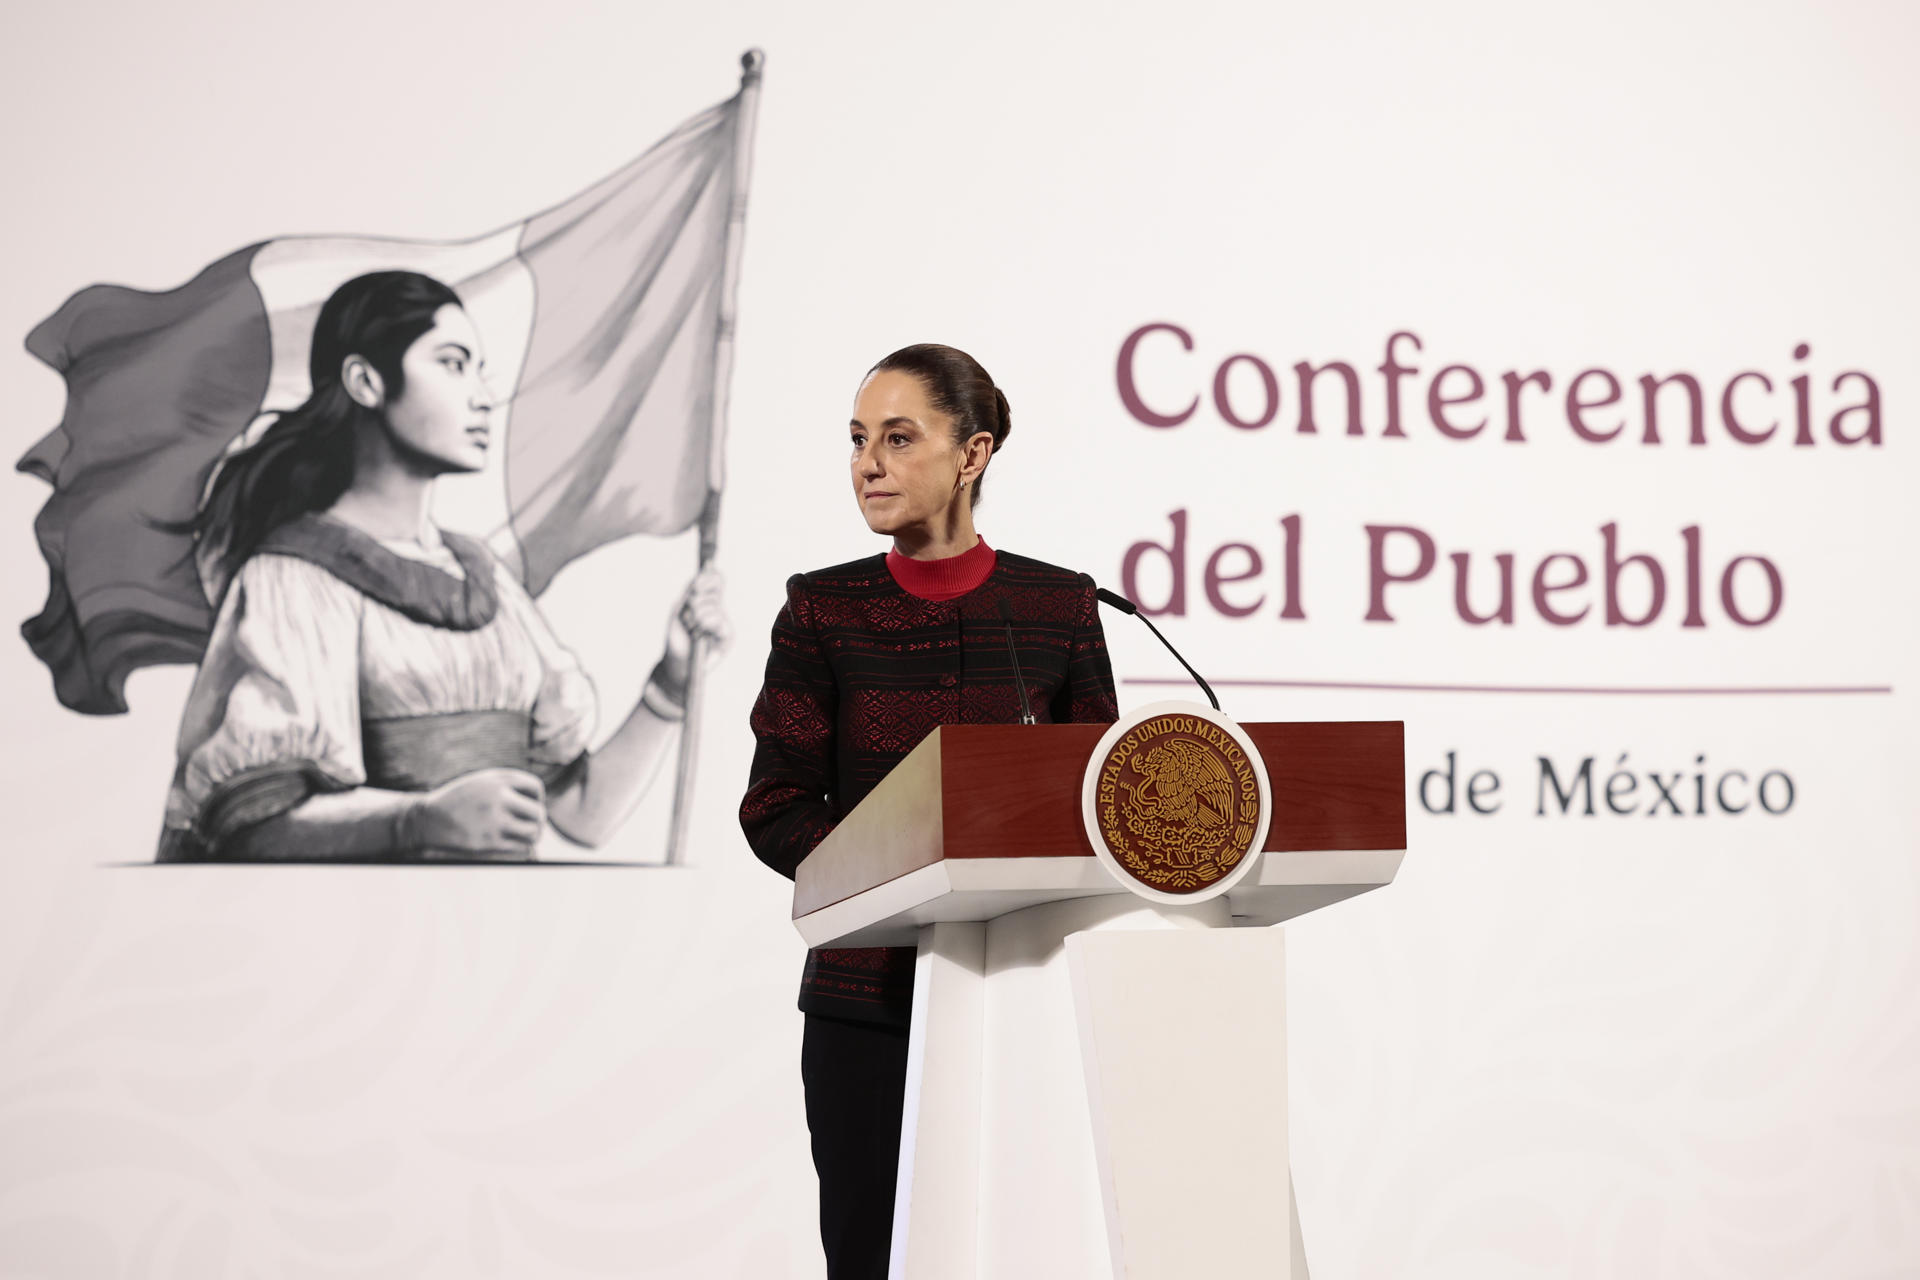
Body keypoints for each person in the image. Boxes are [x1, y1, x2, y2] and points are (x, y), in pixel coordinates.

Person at [740, 344, 1119, 1277]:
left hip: (1025, 1001)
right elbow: (775, 804)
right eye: (860, 439)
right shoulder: (821, 611)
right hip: (866, 1007)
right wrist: (903, 875)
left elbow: (1105, 806)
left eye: (899, 438)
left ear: (973, 454)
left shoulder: (1058, 607)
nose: (868, 463)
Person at [158, 269, 726, 862]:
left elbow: (583, 815)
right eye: (453, 364)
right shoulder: (293, 579)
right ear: (365, 381)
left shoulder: (487, 581)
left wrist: (672, 682)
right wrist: (418, 821)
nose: (482, 396)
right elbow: (253, 828)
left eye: (480, 371)